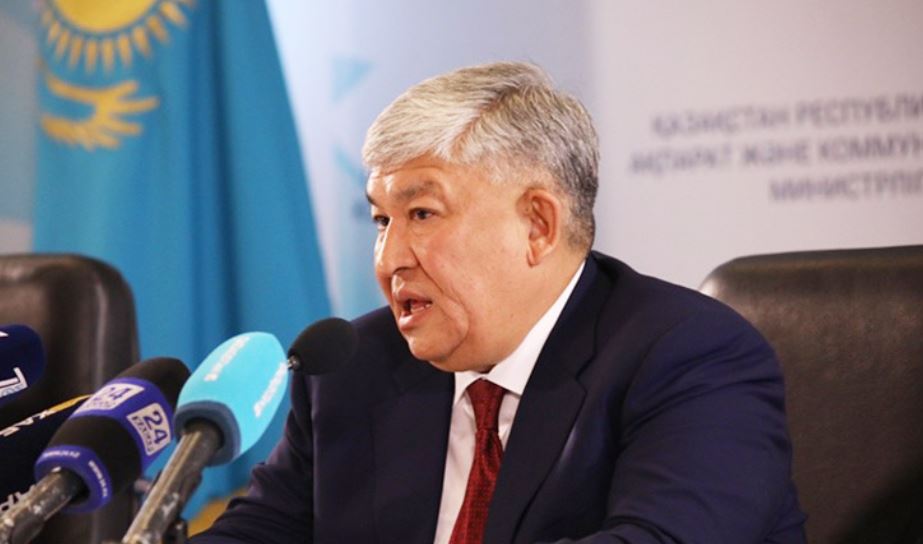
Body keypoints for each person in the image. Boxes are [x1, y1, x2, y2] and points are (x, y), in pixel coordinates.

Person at [194, 61, 806, 543]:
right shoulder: (355, 368)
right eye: (381, 220)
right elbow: (261, 532)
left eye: (422, 214)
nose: (388, 259)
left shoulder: (689, 356)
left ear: (537, 225)